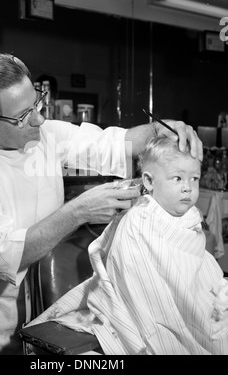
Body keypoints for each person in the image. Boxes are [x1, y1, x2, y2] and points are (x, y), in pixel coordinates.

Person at [0, 51, 202, 355]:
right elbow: (4, 256)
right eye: (23, 116)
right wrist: (78, 211)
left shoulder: (45, 136)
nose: (39, 119)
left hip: (47, 313)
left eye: (36, 104)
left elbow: (115, 144)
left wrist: (161, 129)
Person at [27, 135, 228, 355]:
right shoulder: (138, 223)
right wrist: (189, 308)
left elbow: (197, 267)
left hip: (193, 303)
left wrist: (206, 297)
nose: (188, 188)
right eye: (178, 178)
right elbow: (141, 284)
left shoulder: (190, 218)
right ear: (149, 182)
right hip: (155, 311)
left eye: (195, 179)